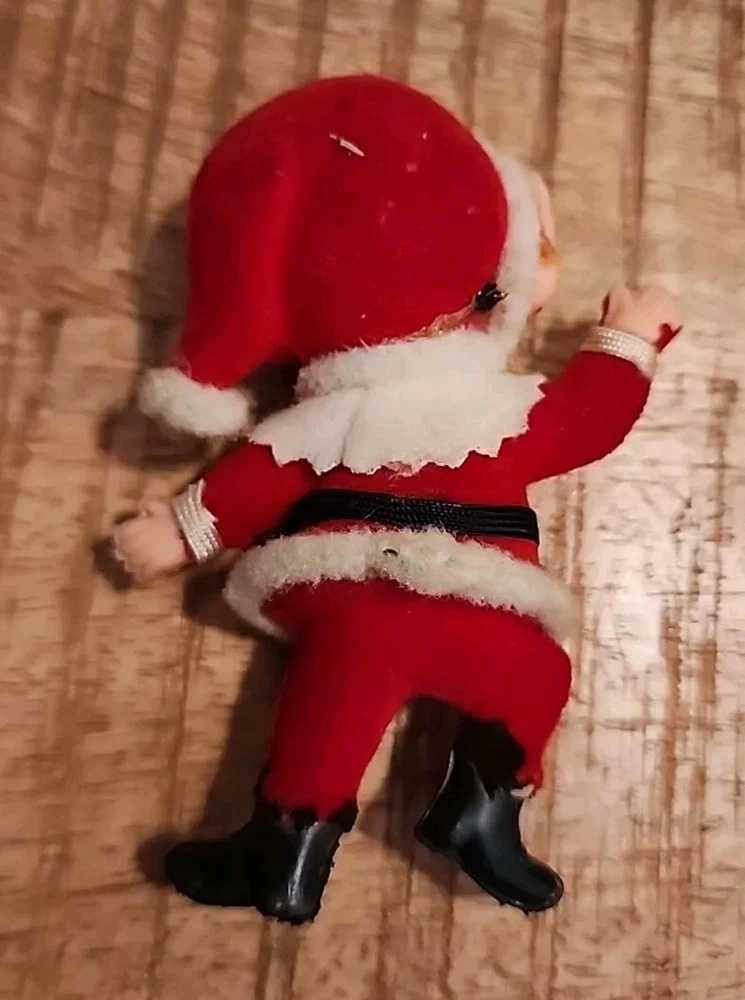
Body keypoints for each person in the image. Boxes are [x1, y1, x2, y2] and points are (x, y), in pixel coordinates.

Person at [111, 75, 682, 925]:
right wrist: (626, 341)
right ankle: (307, 841)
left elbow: (257, 479)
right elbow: (585, 420)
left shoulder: (441, 408)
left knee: (496, 677)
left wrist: (183, 529)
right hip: (365, 592)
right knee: (399, 683)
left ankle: (419, 825)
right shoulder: (444, 411)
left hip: (427, 604)